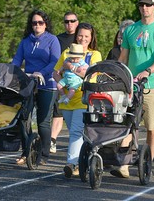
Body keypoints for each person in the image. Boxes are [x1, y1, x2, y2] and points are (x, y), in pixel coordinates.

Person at [110, 0, 154, 178]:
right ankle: (124, 164)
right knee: (128, 123)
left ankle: (147, 164)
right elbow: (123, 57)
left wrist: (148, 71)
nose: (144, 8)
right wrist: (116, 75)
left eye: (148, 4)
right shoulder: (130, 30)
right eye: (141, 5)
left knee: (151, 127)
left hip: (152, 85)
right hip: (131, 86)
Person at [12, 9, 60, 165]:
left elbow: (55, 62)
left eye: (41, 22)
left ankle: (43, 155)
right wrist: (11, 72)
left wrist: (41, 72)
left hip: (47, 84)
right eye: (34, 22)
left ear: (46, 24)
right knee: (23, 119)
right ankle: (26, 152)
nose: (37, 25)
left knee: (42, 122)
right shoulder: (25, 42)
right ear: (31, 25)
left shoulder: (52, 40)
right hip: (29, 83)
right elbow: (17, 61)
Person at [53, 22, 102, 178]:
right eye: (80, 35)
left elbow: (90, 75)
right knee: (77, 133)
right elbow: (55, 72)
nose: (83, 39)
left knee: (75, 132)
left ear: (91, 37)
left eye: (86, 36)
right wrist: (62, 82)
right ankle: (83, 160)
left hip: (85, 98)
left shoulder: (95, 54)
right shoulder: (67, 52)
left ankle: (71, 163)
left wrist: (71, 68)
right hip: (68, 99)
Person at [50, 12, 79, 154]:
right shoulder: (58, 39)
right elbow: (56, 60)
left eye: (72, 21)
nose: (69, 24)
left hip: (78, 82)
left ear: (77, 22)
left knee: (77, 118)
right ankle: (52, 140)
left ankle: (79, 145)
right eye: (66, 21)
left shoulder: (81, 39)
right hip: (63, 78)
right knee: (58, 111)